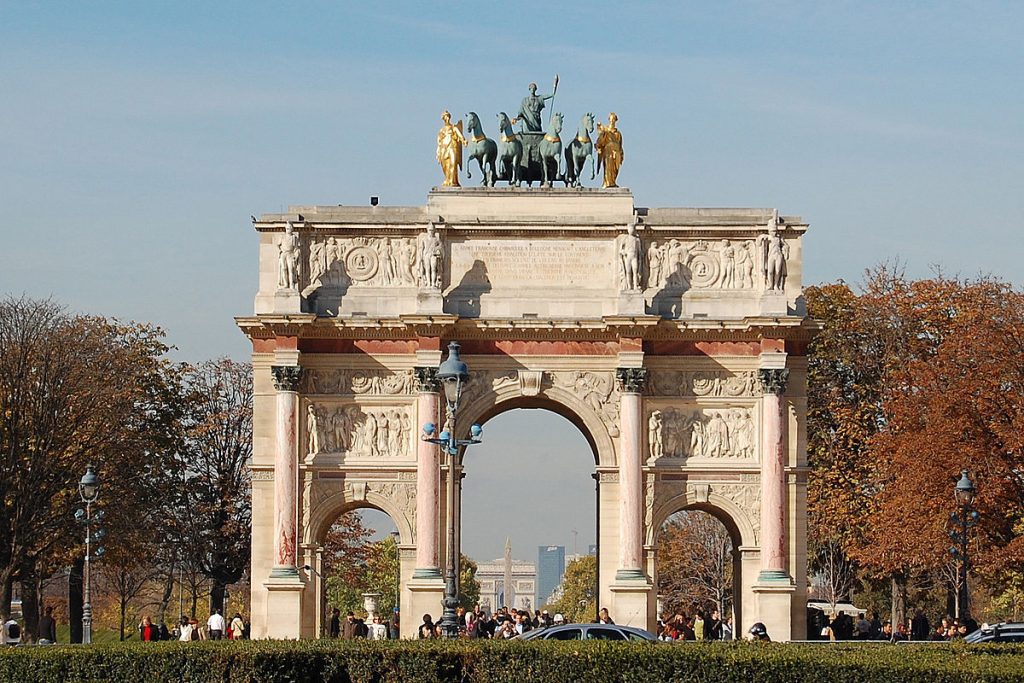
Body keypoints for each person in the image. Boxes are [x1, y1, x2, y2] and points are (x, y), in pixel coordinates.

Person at [436, 110, 467, 187]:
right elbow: (439, 141)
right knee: (445, 165)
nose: (447, 118)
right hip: (444, 148)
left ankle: (452, 181)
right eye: (445, 117)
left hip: (452, 146)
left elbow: (460, 135)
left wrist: (463, 141)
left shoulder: (454, 127)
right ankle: (447, 179)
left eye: (447, 116)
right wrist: (438, 151)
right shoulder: (442, 130)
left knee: (453, 163)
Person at [595, 112, 624, 188]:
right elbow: (601, 139)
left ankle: (613, 182)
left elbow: (620, 145)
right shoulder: (606, 131)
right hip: (608, 151)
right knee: (608, 166)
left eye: (613, 119)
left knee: (615, 169)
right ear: (609, 120)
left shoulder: (618, 133)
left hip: (616, 152)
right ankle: (608, 183)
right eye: (611, 119)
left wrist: (621, 153)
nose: (612, 121)